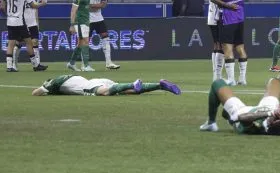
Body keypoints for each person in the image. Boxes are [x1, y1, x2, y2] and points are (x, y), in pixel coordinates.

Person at [200, 78, 280, 134]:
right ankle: (225, 114)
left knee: (218, 83)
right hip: (268, 107)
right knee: (274, 81)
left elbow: (243, 118)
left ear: (270, 124)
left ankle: (211, 123)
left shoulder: (258, 127)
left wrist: (271, 113)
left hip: (241, 112)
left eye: (278, 120)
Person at [210, 0, 247, 86]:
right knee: (240, 47)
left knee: (227, 48)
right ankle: (242, 78)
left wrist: (226, 4)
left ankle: (231, 79)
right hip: (240, 16)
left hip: (227, 17)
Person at [2, 0, 38, 72]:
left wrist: (8, 14)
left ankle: (9, 67)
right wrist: (42, 4)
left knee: (11, 43)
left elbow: (2, 6)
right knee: (29, 42)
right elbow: (33, 5)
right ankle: (35, 65)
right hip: (20, 21)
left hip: (10, 21)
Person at [32, 75, 181, 97]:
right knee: (128, 92)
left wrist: (45, 87)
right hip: (99, 79)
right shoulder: (70, 78)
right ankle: (159, 85)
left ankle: (132, 83)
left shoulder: (54, 82)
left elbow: (36, 92)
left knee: (103, 93)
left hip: (91, 85)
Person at [88, 0, 120, 70]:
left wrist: (88, 6)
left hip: (98, 18)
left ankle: (108, 62)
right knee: (85, 41)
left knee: (105, 38)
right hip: (87, 18)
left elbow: (103, 5)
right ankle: (85, 65)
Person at [202, 0, 225, 80]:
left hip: (219, 13)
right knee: (218, 44)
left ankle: (216, 74)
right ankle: (216, 74)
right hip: (215, 13)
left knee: (219, 44)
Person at [67, 0, 96, 72]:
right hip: (80, 21)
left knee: (80, 43)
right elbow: (73, 10)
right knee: (86, 41)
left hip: (85, 20)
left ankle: (71, 63)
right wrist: (72, 24)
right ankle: (85, 65)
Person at [24, 0, 48, 71]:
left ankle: (37, 64)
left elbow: (36, 10)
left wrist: (37, 23)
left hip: (33, 23)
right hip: (23, 23)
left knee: (35, 42)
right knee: (18, 43)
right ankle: (13, 65)